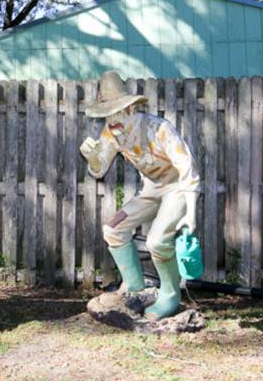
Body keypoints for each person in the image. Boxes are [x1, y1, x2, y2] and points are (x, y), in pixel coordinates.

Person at [80, 71, 198, 319]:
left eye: (115, 112)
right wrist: (92, 157)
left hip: (176, 187)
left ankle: (169, 295)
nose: (111, 121)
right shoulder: (112, 133)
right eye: (106, 115)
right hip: (151, 189)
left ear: (130, 109)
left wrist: (191, 214)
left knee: (157, 241)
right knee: (113, 229)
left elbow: (187, 168)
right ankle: (133, 287)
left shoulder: (159, 128)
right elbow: (99, 169)